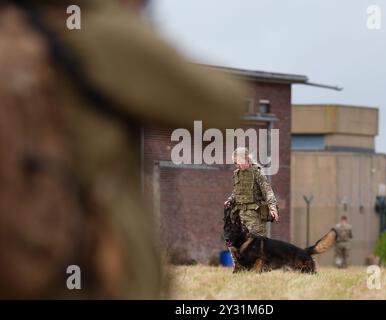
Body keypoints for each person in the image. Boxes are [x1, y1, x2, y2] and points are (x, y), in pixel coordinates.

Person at [0, 0, 244, 298]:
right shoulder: (97, 33)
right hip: (96, 278)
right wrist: (125, 19)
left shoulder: (11, 33)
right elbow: (226, 108)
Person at [224, 147, 279, 271]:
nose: (236, 165)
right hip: (239, 215)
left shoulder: (256, 173)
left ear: (245, 159)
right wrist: (230, 199)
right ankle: (239, 268)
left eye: (237, 162)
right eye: (234, 162)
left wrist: (273, 207)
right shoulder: (237, 174)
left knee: (257, 245)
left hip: (254, 216)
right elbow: (237, 191)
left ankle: (262, 269)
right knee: (234, 242)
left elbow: (267, 191)